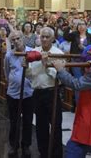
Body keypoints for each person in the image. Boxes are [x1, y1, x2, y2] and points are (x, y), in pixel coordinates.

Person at [26, 27, 64, 158]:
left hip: (52, 93)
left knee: (55, 125)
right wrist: (25, 67)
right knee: (40, 126)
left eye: (47, 37)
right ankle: (43, 152)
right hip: (37, 93)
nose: (44, 39)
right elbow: (29, 74)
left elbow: (58, 76)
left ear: (53, 39)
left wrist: (46, 64)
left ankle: (56, 154)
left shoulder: (58, 53)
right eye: (42, 36)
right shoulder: (34, 52)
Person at [4, 31, 34, 157]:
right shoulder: (9, 55)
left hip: (28, 93)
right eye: (13, 39)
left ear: (23, 38)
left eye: (18, 38)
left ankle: (26, 145)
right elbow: (6, 72)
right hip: (13, 93)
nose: (16, 41)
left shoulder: (31, 52)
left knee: (27, 120)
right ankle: (13, 146)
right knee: (14, 121)